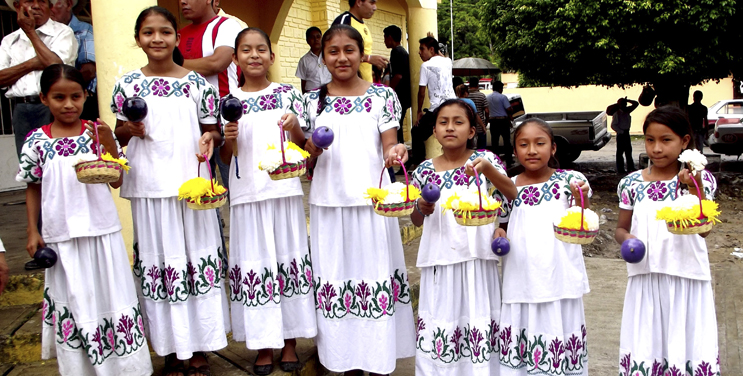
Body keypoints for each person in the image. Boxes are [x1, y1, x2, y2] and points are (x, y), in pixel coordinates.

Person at [111, 7, 227, 376]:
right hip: (148, 186)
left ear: (177, 38)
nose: (157, 38)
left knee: (196, 263)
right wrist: (129, 130)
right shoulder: (126, 84)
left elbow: (213, 130)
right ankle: (170, 349)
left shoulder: (196, 83)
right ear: (138, 39)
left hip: (191, 187)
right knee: (161, 265)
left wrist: (211, 136)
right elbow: (118, 133)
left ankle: (199, 348)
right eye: (148, 32)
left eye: (164, 32)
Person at [16, 64, 153, 376]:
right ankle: (81, 369)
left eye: (75, 96)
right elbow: (33, 187)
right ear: (44, 99)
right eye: (59, 97)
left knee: (111, 294)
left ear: (85, 96)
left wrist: (107, 143)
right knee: (73, 298)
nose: (68, 104)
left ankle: (128, 368)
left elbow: (117, 180)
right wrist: (32, 231)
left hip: (101, 230)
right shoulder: (36, 141)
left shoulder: (96, 134)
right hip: (60, 236)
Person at [303, 24, 415, 375]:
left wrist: (397, 152)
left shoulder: (382, 97)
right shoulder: (311, 100)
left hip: (371, 205)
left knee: (372, 277)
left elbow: (387, 147)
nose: (341, 57)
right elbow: (306, 161)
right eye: (333, 51)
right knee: (335, 279)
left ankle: (375, 357)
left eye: (349, 50)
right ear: (323, 57)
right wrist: (311, 149)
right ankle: (340, 358)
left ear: (361, 54)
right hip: (328, 205)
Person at [219, 27, 316, 376]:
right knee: (256, 265)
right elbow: (229, 158)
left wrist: (294, 128)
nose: (255, 55)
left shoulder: (288, 95)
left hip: (284, 193)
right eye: (246, 50)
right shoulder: (229, 102)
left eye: (262, 49)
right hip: (247, 195)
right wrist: (228, 138)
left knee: (285, 262)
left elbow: (303, 143)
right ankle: (263, 344)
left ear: (272, 57)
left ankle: (289, 341)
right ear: (236, 59)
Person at [410, 99, 516, 375]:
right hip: (440, 261)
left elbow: (510, 197)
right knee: (443, 321)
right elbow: (414, 217)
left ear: (471, 131)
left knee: (478, 320)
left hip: (477, 260)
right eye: (443, 122)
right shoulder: (423, 172)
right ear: (434, 130)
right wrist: (421, 207)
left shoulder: (485, 161)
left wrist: (501, 225)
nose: (450, 128)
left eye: (458, 122)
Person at [614, 106, 719, 376]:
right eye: (650, 140)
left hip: (686, 277)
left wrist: (692, 186)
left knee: (685, 347)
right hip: (645, 277)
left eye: (666, 140)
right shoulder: (631, 183)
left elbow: (704, 230)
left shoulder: (699, 179)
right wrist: (628, 240)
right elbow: (620, 229)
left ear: (684, 141)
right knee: (648, 348)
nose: (656, 148)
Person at [499, 119, 591, 375]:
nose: (532, 150)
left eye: (540, 143)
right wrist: (499, 232)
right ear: (515, 151)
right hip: (521, 274)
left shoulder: (570, 180)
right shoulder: (509, 184)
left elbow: (583, 216)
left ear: (553, 148)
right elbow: (503, 224)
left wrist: (580, 196)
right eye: (523, 144)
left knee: (559, 327)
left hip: (559, 274)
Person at [0, 0, 77, 158]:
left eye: (42, 1)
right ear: (17, 7)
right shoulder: (9, 41)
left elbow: (55, 67)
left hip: (53, 107)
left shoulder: (63, 32)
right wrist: (31, 64)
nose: (36, 6)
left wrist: (30, 32)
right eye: (29, 0)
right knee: (28, 166)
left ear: (50, 7)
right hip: (21, 109)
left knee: (56, 163)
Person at [50, 0, 97, 121]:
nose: (49, 9)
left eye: (53, 4)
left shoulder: (84, 30)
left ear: (69, 4)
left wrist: (60, 87)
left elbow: (89, 71)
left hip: (81, 102)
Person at [412, 36, 455, 166]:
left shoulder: (425, 66)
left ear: (431, 49)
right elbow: (440, 56)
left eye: (422, 49)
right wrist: (434, 46)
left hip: (437, 108)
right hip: (453, 104)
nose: (419, 52)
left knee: (416, 132)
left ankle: (419, 165)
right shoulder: (448, 61)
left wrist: (419, 111)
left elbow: (421, 92)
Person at [332, 0, 388, 83]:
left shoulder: (363, 25)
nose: (375, 8)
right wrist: (368, 58)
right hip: (349, 86)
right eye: (372, 3)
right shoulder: (344, 21)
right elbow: (337, 52)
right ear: (358, 2)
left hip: (365, 85)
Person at [383, 25, 410, 147]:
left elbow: (398, 75)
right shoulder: (402, 51)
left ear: (390, 37)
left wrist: (389, 91)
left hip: (400, 94)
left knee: (395, 122)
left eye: (385, 37)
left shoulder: (396, 52)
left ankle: (399, 146)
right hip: (404, 95)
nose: (384, 40)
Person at [607, 97, 638, 173]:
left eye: (625, 104)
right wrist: (620, 131)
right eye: (623, 104)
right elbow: (613, 125)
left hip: (626, 132)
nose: (625, 105)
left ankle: (630, 167)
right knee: (620, 152)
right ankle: (621, 169)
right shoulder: (617, 113)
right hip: (621, 134)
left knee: (628, 151)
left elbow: (636, 103)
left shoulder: (627, 111)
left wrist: (627, 100)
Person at [485, 81, 513, 166]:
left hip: (493, 121)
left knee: (495, 142)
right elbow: (508, 109)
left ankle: (495, 161)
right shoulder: (503, 97)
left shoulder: (487, 97)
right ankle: (509, 161)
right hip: (503, 121)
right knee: (506, 141)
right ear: (500, 88)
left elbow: (486, 110)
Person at [296, 26, 331, 94]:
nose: (316, 39)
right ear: (307, 40)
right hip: (312, 94)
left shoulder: (329, 56)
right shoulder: (304, 60)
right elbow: (303, 82)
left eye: (318, 37)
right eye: (312, 37)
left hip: (330, 92)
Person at [468, 77, 489, 149]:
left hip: (469, 124)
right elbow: (486, 110)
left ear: (469, 84)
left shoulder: (466, 96)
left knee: (469, 147)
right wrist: (486, 121)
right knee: (482, 147)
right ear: (477, 85)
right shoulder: (482, 95)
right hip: (480, 125)